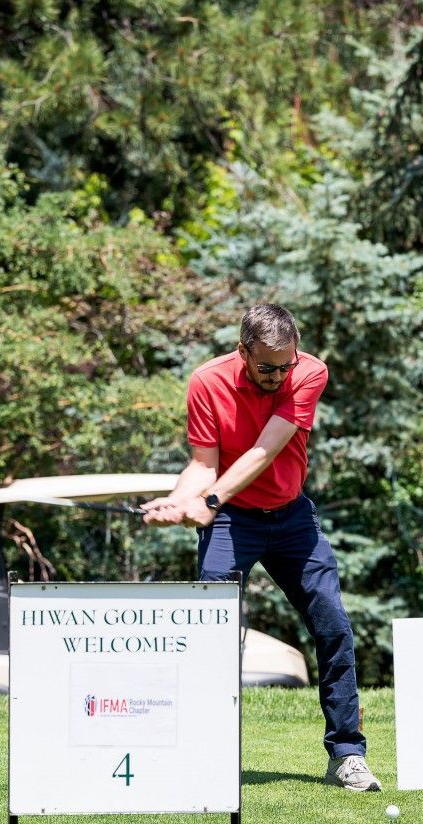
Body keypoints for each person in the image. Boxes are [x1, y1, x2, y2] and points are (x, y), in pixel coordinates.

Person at [142, 303, 381, 791]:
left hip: (293, 518)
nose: (278, 375)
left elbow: (265, 449)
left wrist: (207, 499)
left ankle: (347, 755)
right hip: (232, 521)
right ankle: (204, 756)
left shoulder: (308, 372)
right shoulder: (207, 382)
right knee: (211, 633)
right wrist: (177, 499)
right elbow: (203, 464)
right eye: (267, 366)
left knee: (333, 624)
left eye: (284, 364)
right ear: (242, 351)